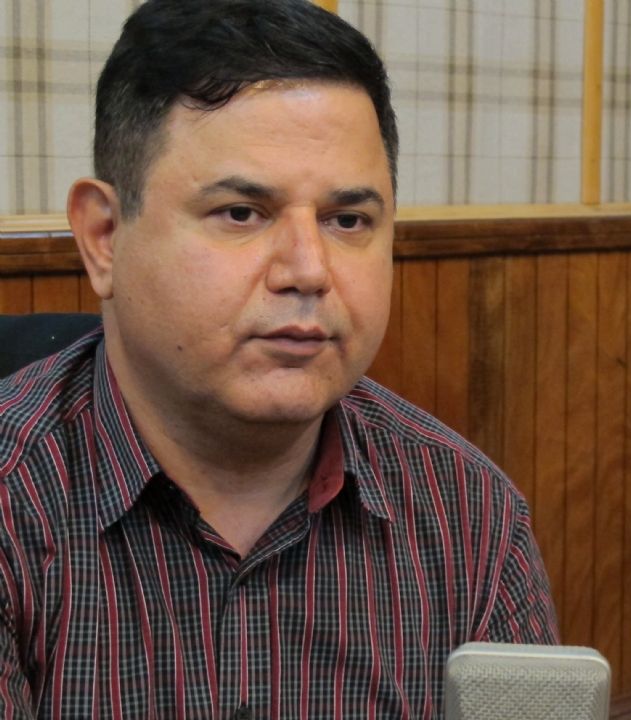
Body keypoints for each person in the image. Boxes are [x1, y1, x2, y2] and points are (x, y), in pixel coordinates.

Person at [0, 0, 558, 716]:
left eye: (347, 220)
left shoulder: (472, 516)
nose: (309, 270)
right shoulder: (15, 506)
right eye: (242, 213)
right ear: (105, 238)